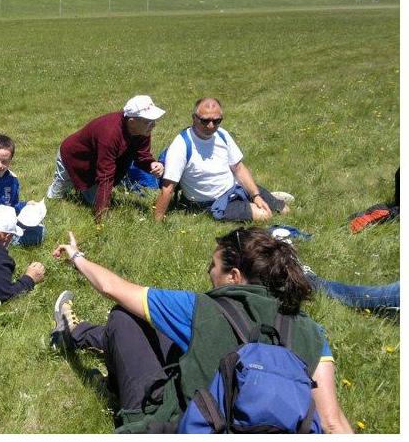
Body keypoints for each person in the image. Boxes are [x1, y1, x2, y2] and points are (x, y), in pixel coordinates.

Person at [48, 227, 352, 434]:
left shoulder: (201, 308)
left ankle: (85, 348)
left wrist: (77, 256)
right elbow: (332, 421)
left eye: (213, 265)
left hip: (190, 425)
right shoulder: (312, 331)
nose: (208, 272)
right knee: (176, 338)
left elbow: (111, 287)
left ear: (233, 276)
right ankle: (87, 342)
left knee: (124, 319)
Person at [154, 97, 290, 222]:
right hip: (213, 203)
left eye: (217, 121)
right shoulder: (181, 145)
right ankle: (256, 202)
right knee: (265, 215)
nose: (211, 125)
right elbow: (168, 188)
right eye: (205, 120)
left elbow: (238, 168)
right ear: (194, 118)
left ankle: (260, 198)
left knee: (285, 211)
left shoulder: (221, 134)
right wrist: (157, 222)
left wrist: (256, 196)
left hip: (235, 189)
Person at [47, 95, 165, 222]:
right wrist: (101, 215)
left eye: (154, 120)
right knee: (58, 192)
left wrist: (151, 164)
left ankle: (84, 189)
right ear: (132, 122)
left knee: (93, 200)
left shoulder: (142, 130)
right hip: (73, 157)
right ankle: (49, 202)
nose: (153, 125)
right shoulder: (110, 134)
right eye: (148, 121)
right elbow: (105, 175)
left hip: (95, 161)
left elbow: (142, 155)